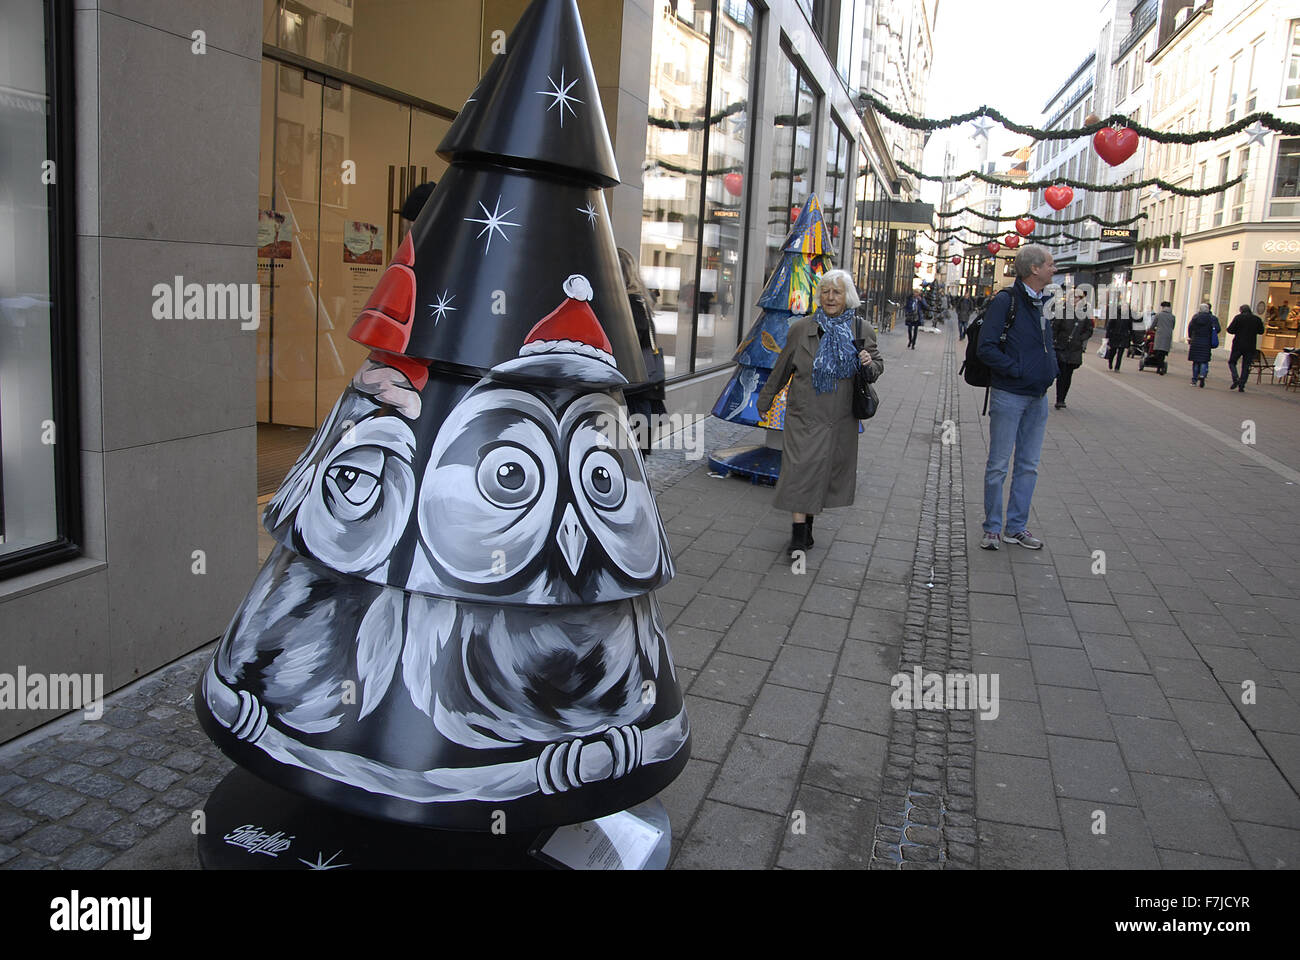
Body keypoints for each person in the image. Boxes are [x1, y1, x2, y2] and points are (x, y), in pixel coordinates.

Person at [757, 269, 883, 557]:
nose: (830, 297)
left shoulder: (861, 329)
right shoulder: (801, 329)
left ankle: (807, 526)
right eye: (825, 291)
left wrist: (866, 362)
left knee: (821, 474)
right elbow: (782, 369)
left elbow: (875, 370)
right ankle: (798, 537)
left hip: (838, 420)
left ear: (847, 296)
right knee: (800, 472)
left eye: (836, 292)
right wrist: (765, 401)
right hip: (804, 415)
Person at [977, 244, 1059, 551]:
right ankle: (992, 529)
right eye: (1050, 264)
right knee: (998, 464)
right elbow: (986, 348)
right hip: (1009, 395)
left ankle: (1016, 527)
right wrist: (1016, 371)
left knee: (1028, 465)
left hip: (1038, 396)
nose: (1054, 269)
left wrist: (1051, 371)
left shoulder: (1047, 301)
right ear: (1034, 269)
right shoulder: (1005, 301)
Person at [617, 248, 667, 455]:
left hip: (635, 390)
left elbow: (630, 341)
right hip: (640, 389)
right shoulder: (638, 300)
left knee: (629, 454)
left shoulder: (631, 303)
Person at [1052, 287, 1093, 409]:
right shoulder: (1063, 311)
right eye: (1074, 297)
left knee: (1068, 374)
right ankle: (1059, 399)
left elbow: (1089, 330)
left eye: (1078, 297)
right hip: (1062, 346)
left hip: (1075, 348)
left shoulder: (1084, 313)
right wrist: (1054, 341)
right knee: (1061, 373)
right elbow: (1055, 328)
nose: (1075, 300)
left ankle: (1063, 398)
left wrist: (1081, 338)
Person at [1227, 304, 1265, 392]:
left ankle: (1235, 377)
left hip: (1238, 344)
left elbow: (1230, 330)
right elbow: (1261, 331)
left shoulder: (1238, 318)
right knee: (1246, 365)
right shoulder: (1257, 319)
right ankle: (1242, 384)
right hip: (1250, 345)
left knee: (1232, 362)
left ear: (1241, 311)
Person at [1186, 301, 1220, 387]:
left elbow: (1190, 328)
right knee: (1204, 361)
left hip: (1196, 341)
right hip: (1206, 342)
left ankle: (1194, 380)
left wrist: (1191, 336)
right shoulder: (1212, 318)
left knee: (1196, 361)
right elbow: (1218, 329)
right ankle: (1202, 375)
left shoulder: (1195, 318)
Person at [1105, 306, 1132, 372]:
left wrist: (1131, 337)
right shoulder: (1115, 316)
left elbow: (1131, 327)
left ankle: (1117, 367)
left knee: (1120, 353)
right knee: (1113, 352)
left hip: (1123, 337)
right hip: (1114, 336)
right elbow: (1109, 326)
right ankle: (1110, 361)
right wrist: (1107, 336)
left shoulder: (1129, 317)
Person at [1150, 300, 1175, 369]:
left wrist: (1150, 330)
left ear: (1163, 307)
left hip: (1159, 335)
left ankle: (1159, 365)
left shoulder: (1159, 315)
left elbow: (1153, 325)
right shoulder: (1172, 316)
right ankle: (1161, 365)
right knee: (1164, 351)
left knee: (1158, 350)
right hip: (1168, 335)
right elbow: (1173, 326)